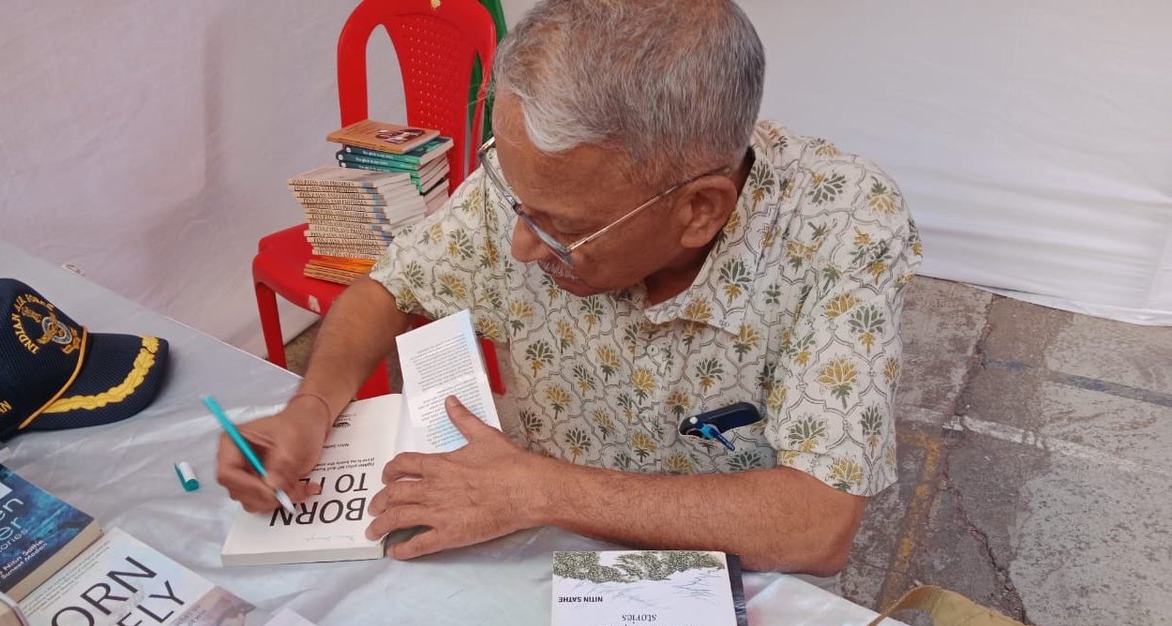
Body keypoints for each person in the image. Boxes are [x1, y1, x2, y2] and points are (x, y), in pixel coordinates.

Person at [218, 0, 921, 575]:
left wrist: (537, 488)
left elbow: (814, 524)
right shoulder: (544, 180)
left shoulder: (842, 222)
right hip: (533, 539)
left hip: (725, 583)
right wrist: (311, 407)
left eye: (562, 228)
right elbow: (388, 289)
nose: (522, 245)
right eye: (515, 203)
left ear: (699, 210)